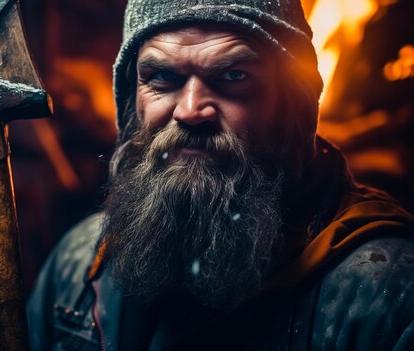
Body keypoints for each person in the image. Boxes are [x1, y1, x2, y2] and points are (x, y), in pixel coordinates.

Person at [27, 0, 414, 349]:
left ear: (292, 105)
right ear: (131, 102)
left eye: (233, 77)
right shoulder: (75, 268)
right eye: (163, 76)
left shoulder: (387, 299)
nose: (191, 110)